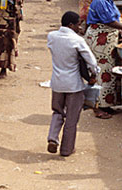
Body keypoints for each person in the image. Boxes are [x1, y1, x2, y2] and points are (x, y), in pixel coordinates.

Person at [46, 11, 99, 157]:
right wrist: (94, 74)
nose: (79, 28)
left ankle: (52, 138)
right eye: (78, 24)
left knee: (57, 111)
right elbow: (92, 62)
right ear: (71, 25)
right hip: (73, 85)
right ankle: (66, 149)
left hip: (57, 83)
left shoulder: (51, 37)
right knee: (71, 117)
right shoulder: (77, 40)